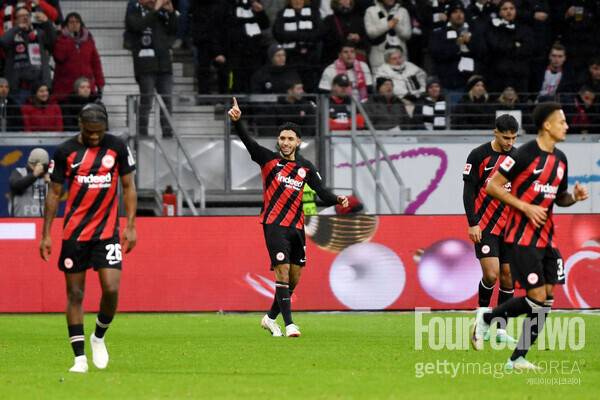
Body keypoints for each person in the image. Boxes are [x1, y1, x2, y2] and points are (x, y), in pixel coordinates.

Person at [472, 102, 589, 370]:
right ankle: (488, 319)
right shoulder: (524, 154)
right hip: (522, 237)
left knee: (546, 299)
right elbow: (493, 186)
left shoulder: (561, 159)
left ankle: (517, 358)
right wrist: (524, 207)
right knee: (535, 296)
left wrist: (574, 198)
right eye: (562, 121)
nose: (567, 126)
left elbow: (560, 198)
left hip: (548, 239)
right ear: (547, 125)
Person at [228, 97, 348, 337]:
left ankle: (270, 318)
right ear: (278, 140)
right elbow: (249, 143)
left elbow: (322, 193)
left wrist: (337, 199)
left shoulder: (306, 167)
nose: (285, 142)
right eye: (282, 138)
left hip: (297, 227)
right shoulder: (268, 160)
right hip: (274, 224)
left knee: (293, 278)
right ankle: (290, 324)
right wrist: (238, 122)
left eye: (290, 139)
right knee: (281, 271)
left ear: (298, 142)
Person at [39, 103, 137, 373]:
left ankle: (99, 336)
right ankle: (79, 358)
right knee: (75, 294)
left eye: (99, 132)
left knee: (111, 289)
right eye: (90, 132)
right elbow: (54, 194)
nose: (94, 136)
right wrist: (46, 234)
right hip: (75, 234)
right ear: (80, 126)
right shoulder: (65, 151)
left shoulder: (117, 147)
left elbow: (128, 186)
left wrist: (130, 225)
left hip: (107, 233)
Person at [462, 114, 519, 345]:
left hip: (510, 227)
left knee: (508, 277)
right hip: (485, 225)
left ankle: (501, 330)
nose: (509, 143)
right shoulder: (478, 155)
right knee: (491, 274)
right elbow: (468, 192)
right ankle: (481, 320)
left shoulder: (517, 158)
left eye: (513, 138)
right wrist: (472, 222)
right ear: (495, 132)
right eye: (506, 138)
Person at [125, 0, 178, 138]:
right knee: (146, 100)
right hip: (145, 65)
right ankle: (142, 133)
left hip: (164, 64)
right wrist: (156, 9)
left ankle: (167, 132)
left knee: (167, 100)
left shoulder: (162, 14)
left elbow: (173, 31)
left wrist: (172, 13)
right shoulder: (134, 12)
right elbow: (138, 26)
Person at [0, 6, 56, 105]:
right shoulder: (12, 35)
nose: (25, 17)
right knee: (19, 113)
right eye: (21, 16)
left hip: (39, 87)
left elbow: (53, 41)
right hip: (19, 88)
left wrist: (46, 22)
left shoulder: (39, 33)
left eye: (27, 15)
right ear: (15, 20)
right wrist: (18, 28)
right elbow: (3, 42)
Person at [52, 12, 105, 101]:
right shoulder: (60, 38)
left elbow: (96, 63)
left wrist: (100, 83)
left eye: (77, 22)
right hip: (66, 89)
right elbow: (59, 57)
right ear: (66, 24)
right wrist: (69, 39)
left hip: (86, 87)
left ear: (81, 24)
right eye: (71, 22)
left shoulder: (88, 40)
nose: (74, 24)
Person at [272, 0, 322, 93]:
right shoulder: (282, 13)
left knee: (309, 86)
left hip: (310, 58)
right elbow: (278, 33)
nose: (297, 1)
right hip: (290, 58)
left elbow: (318, 33)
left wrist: (294, 36)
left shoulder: (314, 12)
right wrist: (302, 36)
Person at [364, 0, 411, 71]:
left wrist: (396, 25)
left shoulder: (403, 11)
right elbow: (370, 33)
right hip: (379, 57)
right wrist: (387, 26)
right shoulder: (371, 10)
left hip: (399, 56)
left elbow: (407, 35)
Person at [8, 147, 49, 217]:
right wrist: (34, 175)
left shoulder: (48, 177)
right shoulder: (19, 172)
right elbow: (15, 185)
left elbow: (59, 194)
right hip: (21, 221)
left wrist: (52, 183)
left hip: (44, 221)